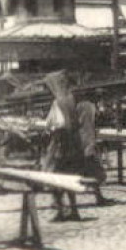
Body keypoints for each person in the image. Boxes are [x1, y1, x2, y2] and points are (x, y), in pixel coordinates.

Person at [40, 70, 86, 221]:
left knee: (54, 177)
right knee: (69, 177)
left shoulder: (58, 102)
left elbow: (57, 123)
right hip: (73, 144)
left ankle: (60, 211)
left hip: (60, 144)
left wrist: (48, 129)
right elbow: (77, 122)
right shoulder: (71, 99)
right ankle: (74, 210)